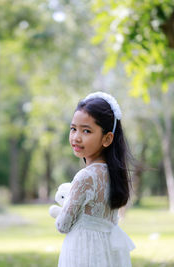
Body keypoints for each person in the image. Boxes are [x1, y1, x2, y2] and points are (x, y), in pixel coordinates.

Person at [55, 91, 135, 267]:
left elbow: (63, 224)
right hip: (106, 252)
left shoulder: (85, 177)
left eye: (86, 131)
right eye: (73, 128)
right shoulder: (114, 174)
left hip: (82, 252)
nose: (76, 137)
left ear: (107, 138)